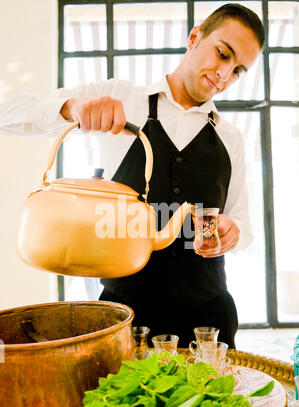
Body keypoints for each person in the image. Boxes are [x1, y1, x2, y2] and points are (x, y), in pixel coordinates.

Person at [0, 4, 264, 349]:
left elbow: (242, 222)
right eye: (222, 53)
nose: (224, 74)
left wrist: (234, 232)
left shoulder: (230, 137)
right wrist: (72, 108)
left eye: (238, 70)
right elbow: (7, 114)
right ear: (194, 36)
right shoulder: (125, 100)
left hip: (208, 319)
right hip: (123, 316)